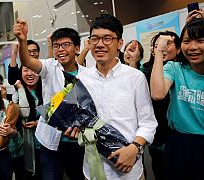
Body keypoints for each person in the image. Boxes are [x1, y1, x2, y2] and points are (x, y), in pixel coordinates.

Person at [77, 14, 157, 180]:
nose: (100, 44)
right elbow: (80, 118)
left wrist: (134, 148)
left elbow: (148, 122)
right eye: (95, 39)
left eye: (107, 38)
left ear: (119, 43)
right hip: (93, 168)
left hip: (129, 170)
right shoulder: (82, 78)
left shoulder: (135, 77)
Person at [13, 19, 86, 180]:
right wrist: (22, 40)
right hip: (50, 141)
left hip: (78, 142)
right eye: (56, 46)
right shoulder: (49, 68)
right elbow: (27, 61)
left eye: (66, 44)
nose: (60, 50)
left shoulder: (88, 75)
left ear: (77, 48)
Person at [151, 18, 204, 179]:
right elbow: (158, 93)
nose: (193, 47)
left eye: (201, 41)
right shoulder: (175, 68)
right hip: (179, 144)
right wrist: (159, 52)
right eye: (187, 41)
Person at [141, 31, 180, 180]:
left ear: (179, 49)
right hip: (158, 136)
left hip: (180, 136)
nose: (162, 48)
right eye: (158, 45)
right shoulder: (146, 71)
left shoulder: (185, 70)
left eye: (167, 44)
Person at [12, 66, 43, 180]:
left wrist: (39, 123)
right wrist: (20, 89)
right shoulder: (17, 93)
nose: (30, 74)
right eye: (25, 71)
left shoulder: (45, 90)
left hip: (44, 144)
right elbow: (24, 113)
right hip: (25, 144)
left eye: (34, 70)